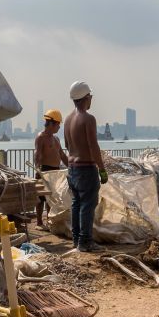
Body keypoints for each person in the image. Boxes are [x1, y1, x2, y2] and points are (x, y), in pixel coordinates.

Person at [63, 81, 108, 252]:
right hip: (86, 169)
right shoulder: (88, 119)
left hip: (72, 168)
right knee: (88, 205)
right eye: (91, 97)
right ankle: (85, 242)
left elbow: (67, 144)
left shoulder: (67, 120)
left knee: (77, 203)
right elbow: (93, 146)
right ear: (86, 97)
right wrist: (102, 169)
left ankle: (76, 240)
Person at [34, 108, 68, 229]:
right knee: (41, 197)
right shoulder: (41, 137)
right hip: (44, 170)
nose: (59, 128)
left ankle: (49, 220)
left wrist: (71, 166)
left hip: (55, 171)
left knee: (51, 197)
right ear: (52, 124)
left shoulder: (56, 139)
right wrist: (37, 168)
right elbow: (37, 154)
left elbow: (62, 155)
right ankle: (39, 222)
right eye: (58, 125)